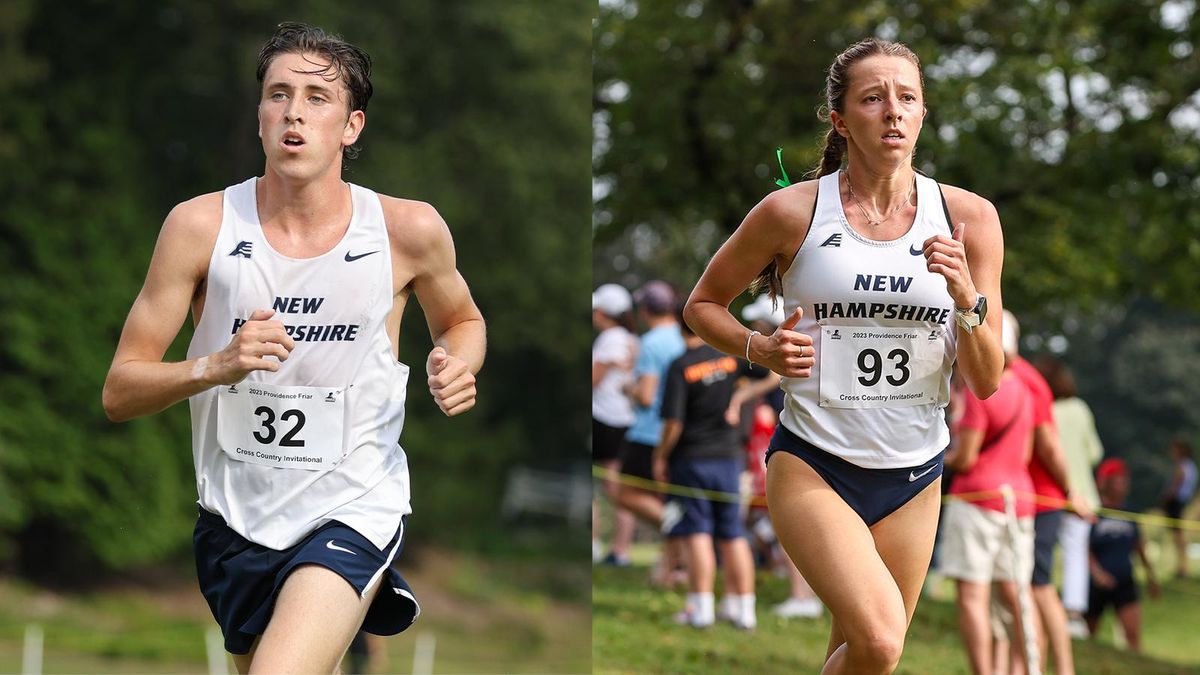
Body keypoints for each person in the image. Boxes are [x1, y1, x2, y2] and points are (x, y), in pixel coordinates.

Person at [101, 23, 485, 673]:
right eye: (279, 94)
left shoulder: (406, 229)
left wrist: (455, 362)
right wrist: (214, 365)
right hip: (235, 515)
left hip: (353, 504)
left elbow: (463, 319)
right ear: (259, 116)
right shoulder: (199, 227)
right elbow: (119, 390)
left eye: (316, 97)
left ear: (351, 126)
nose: (294, 111)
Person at [684, 38, 1005, 673]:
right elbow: (702, 304)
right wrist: (760, 348)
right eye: (873, 98)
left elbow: (987, 380)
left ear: (921, 114)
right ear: (840, 119)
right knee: (882, 644)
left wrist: (965, 294)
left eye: (907, 98)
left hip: (915, 473)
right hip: (815, 462)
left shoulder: (970, 218)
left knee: (859, 656)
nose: (893, 111)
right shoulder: (790, 211)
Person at [941, 316, 1038, 675]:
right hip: (1019, 499)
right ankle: (1027, 667)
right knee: (1017, 598)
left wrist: (943, 456)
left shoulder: (981, 390)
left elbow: (966, 457)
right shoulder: (1025, 391)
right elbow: (1025, 453)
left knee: (973, 597)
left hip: (978, 498)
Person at [652, 308, 758, 629]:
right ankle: (744, 610)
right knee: (733, 534)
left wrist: (660, 455)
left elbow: (673, 422)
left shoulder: (680, 365)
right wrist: (740, 398)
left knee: (697, 532)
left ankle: (701, 609)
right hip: (729, 458)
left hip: (692, 459)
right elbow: (773, 374)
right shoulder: (730, 356)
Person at [1004, 312, 1090, 675]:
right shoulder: (1020, 376)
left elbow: (1049, 445)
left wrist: (1070, 492)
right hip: (1026, 497)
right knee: (1025, 586)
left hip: (1040, 499)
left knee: (1038, 586)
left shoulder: (1025, 380)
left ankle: (1063, 669)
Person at [1036, 357, 1103, 637]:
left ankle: (1043, 608)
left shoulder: (1043, 408)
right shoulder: (1078, 409)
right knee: (1075, 555)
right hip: (1083, 496)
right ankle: (1073, 616)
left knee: (1045, 554)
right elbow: (1095, 453)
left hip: (1048, 494)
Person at [1087, 458, 1160, 651]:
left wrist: (1151, 577)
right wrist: (1097, 574)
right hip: (1096, 585)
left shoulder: (1130, 513)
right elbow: (1084, 549)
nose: (1124, 484)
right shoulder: (1094, 512)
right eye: (1119, 479)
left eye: (1125, 480)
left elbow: (1139, 547)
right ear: (1106, 482)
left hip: (1125, 581)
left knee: (1133, 636)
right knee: (1088, 636)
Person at [592, 283, 639, 566]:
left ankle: (602, 546)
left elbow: (594, 379)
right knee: (617, 486)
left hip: (605, 418)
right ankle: (620, 549)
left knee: (608, 487)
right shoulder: (630, 338)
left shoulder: (610, 338)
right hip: (622, 418)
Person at [1162, 437, 1197, 578]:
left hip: (1176, 503)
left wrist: (1166, 497)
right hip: (1180, 502)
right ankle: (1182, 566)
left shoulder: (1182, 466)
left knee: (1179, 537)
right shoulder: (1190, 466)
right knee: (1179, 536)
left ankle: (1183, 568)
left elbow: (1175, 485)